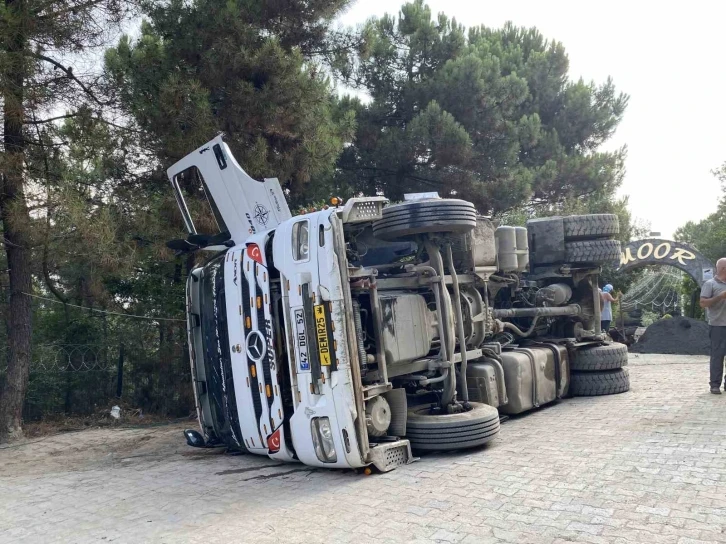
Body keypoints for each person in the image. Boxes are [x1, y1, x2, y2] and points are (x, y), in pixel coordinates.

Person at [699, 258, 726, 394]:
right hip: (718, 326)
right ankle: (715, 385)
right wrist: (719, 297)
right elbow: (703, 303)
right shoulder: (710, 284)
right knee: (718, 356)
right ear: (723, 269)